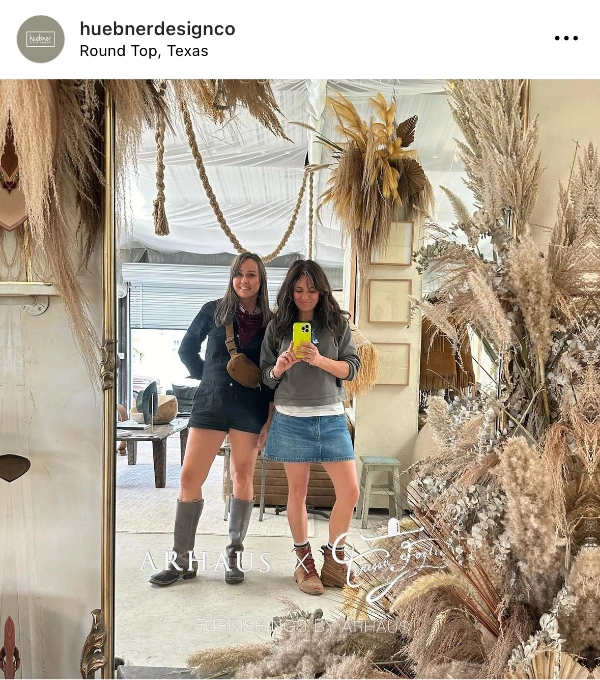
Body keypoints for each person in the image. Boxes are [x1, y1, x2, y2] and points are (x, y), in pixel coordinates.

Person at [150, 252, 273, 587]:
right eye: (239, 274)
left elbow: (274, 373)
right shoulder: (213, 310)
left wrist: (269, 419)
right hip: (211, 404)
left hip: (251, 407)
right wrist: (211, 376)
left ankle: (233, 556)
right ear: (232, 277)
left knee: (242, 477)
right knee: (190, 477)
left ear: (261, 281)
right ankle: (181, 562)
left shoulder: (272, 321)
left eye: (252, 275)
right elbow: (186, 349)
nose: (244, 281)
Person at [260, 260, 360, 595]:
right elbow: (265, 378)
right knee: (297, 493)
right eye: (299, 290)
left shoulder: (336, 323)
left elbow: (351, 368)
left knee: (350, 492)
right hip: (290, 417)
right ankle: (304, 563)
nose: (305, 296)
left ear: (322, 290)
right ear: (290, 290)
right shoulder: (276, 327)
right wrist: (279, 367)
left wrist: (318, 360)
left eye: (312, 290)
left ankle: (335, 558)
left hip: (331, 416)